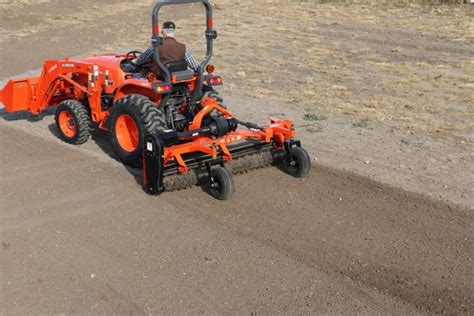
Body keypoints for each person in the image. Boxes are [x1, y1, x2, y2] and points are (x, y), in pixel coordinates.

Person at [135, 21, 200, 75]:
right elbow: (195, 65)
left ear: (163, 32)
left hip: (161, 77)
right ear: (174, 32)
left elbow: (140, 61)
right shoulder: (183, 47)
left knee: (136, 75)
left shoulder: (156, 46)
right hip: (179, 77)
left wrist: (136, 62)